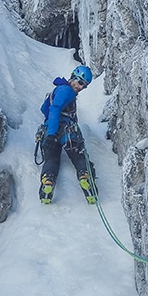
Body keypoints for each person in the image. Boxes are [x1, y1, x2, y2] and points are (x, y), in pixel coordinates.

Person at [38, 65, 96, 204]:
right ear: (73, 78)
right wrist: (53, 133)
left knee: (51, 159)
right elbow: (55, 108)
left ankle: (48, 181)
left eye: (85, 86)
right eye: (81, 82)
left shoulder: (58, 90)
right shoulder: (67, 91)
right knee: (79, 156)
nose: (81, 87)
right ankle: (85, 178)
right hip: (65, 131)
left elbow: (44, 109)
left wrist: (50, 134)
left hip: (48, 130)